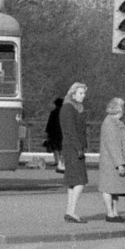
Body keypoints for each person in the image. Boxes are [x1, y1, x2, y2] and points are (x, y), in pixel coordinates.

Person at [97, 95, 125, 221]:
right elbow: (114, 145)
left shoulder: (113, 122)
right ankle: (110, 213)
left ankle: (114, 213)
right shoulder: (110, 124)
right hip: (112, 162)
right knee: (109, 188)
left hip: (112, 162)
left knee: (114, 187)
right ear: (118, 109)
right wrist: (120, 163)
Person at [58, 81, 89, 223]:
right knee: (80, 180)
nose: (83, 96)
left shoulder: (70, 108)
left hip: (71, 147)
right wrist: (79, 148)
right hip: (73, 148)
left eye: (84, 93)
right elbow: (70, 131)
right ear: (73, 93)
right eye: (81, 93)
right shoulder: (69, 109)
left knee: (72, 182)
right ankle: (72, 210)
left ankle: (70, 211)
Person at [42, 94, 65, 163]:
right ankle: (62, 162)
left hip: (54, 133)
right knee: (61, 147)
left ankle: (57, 161)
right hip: (63, 132)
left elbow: (50, 124)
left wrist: (47, 133)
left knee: (55, 148)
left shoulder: (53, 113)